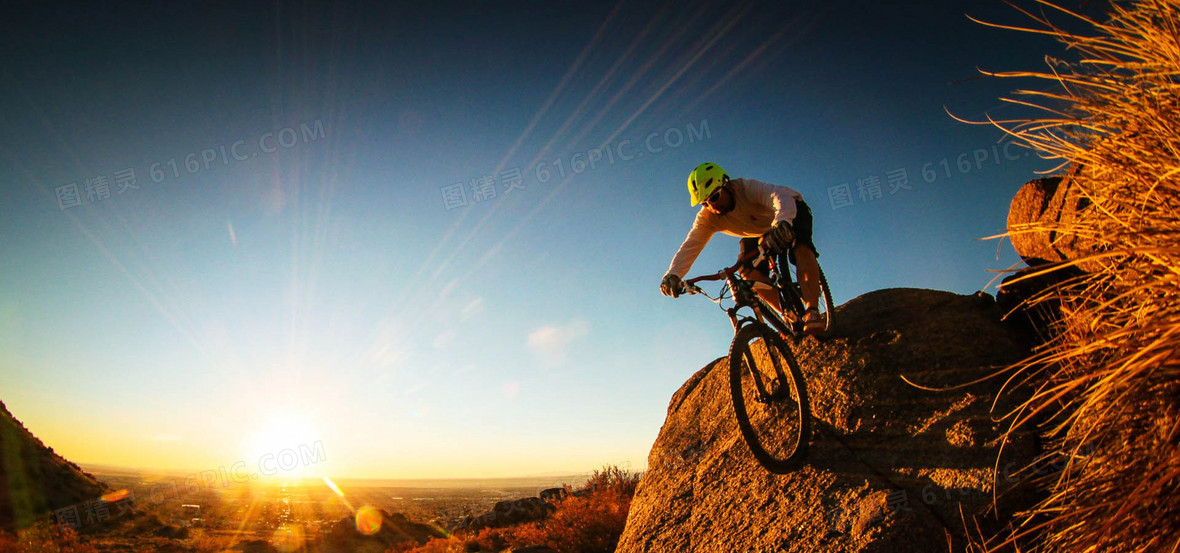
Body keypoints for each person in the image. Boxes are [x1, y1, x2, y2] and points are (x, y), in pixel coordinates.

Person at [659, 162, 824, 335]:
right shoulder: (708, 218)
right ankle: (789, 315)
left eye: (714, 197)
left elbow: (778, 196)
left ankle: (812, 310)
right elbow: (691, 244)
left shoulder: (747, 189)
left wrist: (783, 221)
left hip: (790, 211)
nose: (712, 206)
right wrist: (673, 275)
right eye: (705, 203)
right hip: (758, 232)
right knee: (746, 271)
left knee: (800, 249)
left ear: (727, 184)